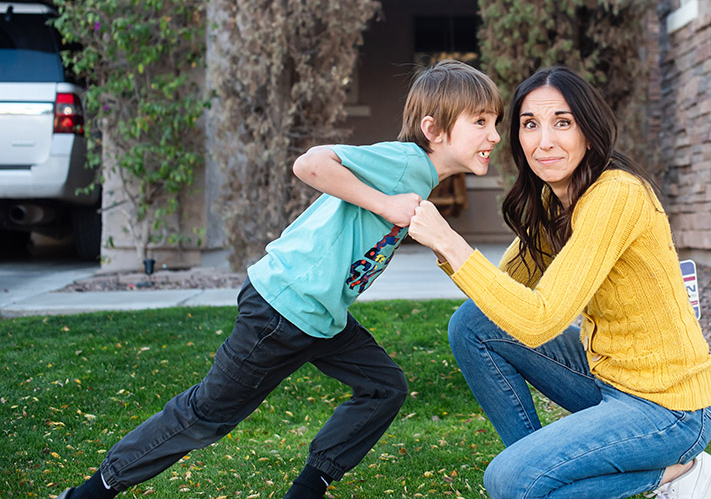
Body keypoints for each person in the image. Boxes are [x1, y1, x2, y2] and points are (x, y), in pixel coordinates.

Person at [58, 60, 504, 499]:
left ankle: (307, 490)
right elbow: (309, 164)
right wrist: (384, 206)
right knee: (208, 414)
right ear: (434, 129)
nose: (494, 135)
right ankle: (91, 493)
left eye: (496, 122)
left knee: (384, 387)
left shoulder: (419, 177)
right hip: (282, 308)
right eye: (480, 121)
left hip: (321, 316)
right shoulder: (405, 162)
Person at [408, 66, 711, 499]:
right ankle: (538, 476)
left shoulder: (616, 195)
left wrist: (451, 240)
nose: (545, 141)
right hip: (608, 377)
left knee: (507, 481)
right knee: (472, 324)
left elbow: (540, 321)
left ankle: (678, 473)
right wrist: (437, 241)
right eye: (530, 125)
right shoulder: (551, 200)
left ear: (589, 133)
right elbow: (500, 297)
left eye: (563, 123)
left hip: (670, 408)